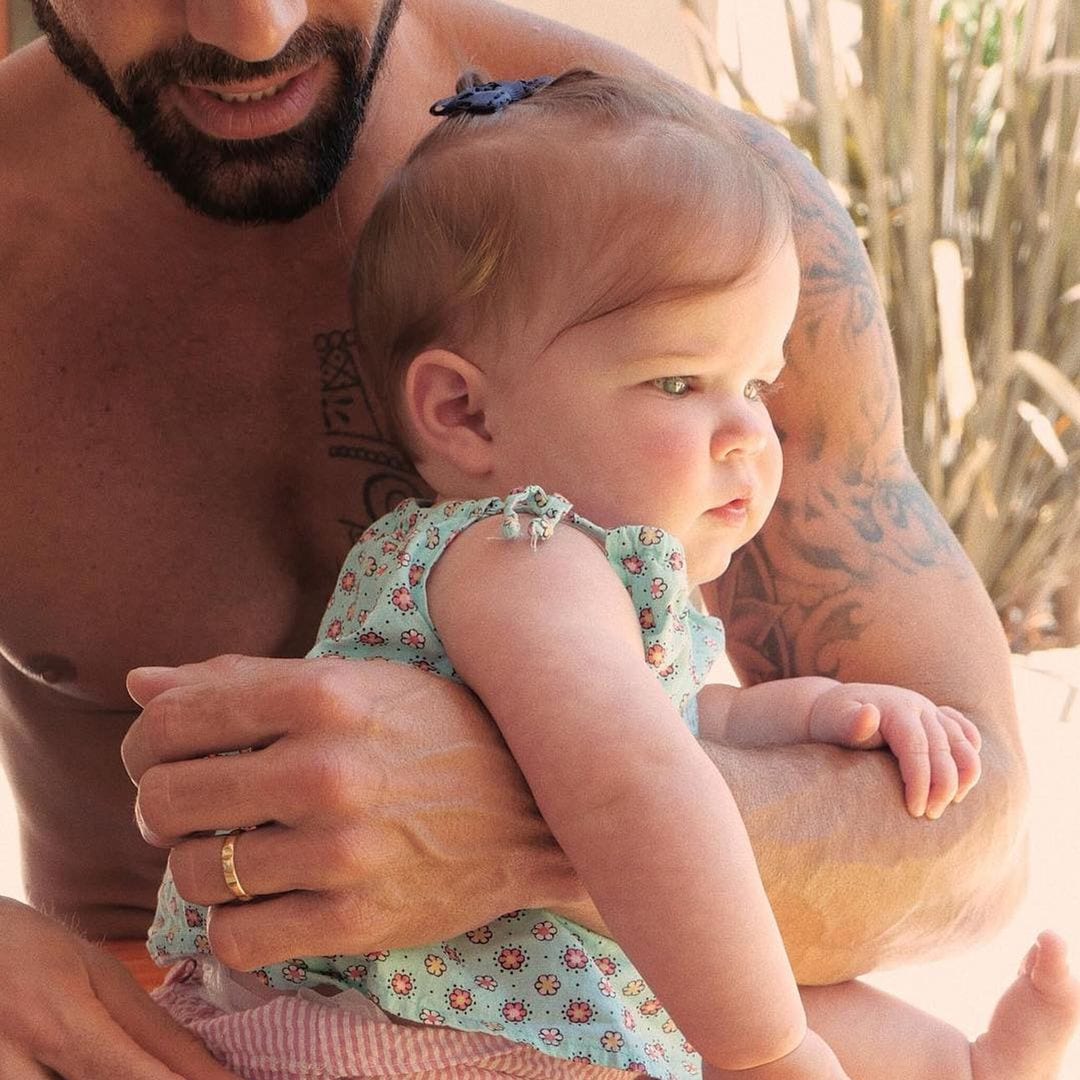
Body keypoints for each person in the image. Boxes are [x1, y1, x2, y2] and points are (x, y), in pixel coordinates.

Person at [0, 3, 1029, 1078]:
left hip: (612, 1005)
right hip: (164, 1027)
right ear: (460, 411)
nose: (259, 30)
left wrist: (530, 826)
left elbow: (973, 842)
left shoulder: (693, 207)